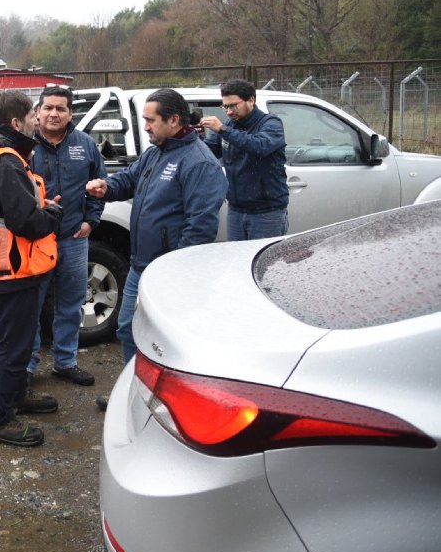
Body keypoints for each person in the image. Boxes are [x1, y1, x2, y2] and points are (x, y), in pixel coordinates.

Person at [86, 89, 227, 363]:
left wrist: (173, 270)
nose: (146, 126)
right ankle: (134, 384)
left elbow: (200, 228)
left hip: (168, 273)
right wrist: (106, 187)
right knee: (128, 330)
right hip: (140, 265)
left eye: (150, 120)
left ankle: (158, 387)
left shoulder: (199, 163)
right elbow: (128, 179)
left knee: (163, 341)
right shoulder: (155, 153)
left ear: (173, 120)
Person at [0, 90, 64, 447]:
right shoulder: (5, 160)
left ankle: (15, 396)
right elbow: (26, 222)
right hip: (9, 270)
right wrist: (51, 214)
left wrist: (38, 207)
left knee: (18, 345)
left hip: (3, 267)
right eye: (33, 116)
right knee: (12, 347)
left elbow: (13, 209)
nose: (38, 121)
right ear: (16, 122)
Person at [24, 86, 106, 388]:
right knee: (30, 306)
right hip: (36, 241)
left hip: (73, 237)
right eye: (48, 108)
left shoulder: (85, 145)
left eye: (60, 108)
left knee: (71, 304)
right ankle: (27, 366)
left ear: (71, 113)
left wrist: (91, 221)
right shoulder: (24, 145)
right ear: (37, 112)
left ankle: (65, 362)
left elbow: (100, 183)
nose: (53, 113)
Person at [199, 79, 289, 240]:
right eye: (225, 107)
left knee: (263, 256)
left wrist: (223, 130)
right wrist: (192, 136)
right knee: (236, 256)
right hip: (236, 210)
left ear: (251, 100)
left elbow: (260, 146)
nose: (229, 112)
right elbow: (206, 152)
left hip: (266, 212)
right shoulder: (231, 125)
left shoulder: (271, 123)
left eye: (233, 106)